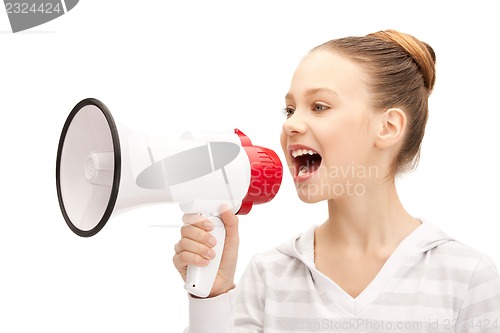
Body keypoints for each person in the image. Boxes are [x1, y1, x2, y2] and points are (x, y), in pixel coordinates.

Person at [173, 29, 500, 332]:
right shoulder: (269, 277)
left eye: (319, 106)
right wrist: (212, 298)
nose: (291, 125)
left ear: (387, 127)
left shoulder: (467, 278)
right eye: (289, 110)